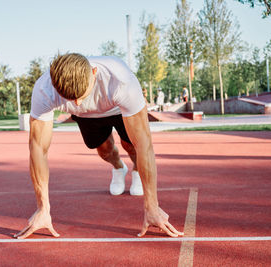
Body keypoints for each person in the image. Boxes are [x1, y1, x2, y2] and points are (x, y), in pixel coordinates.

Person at [14, 53, 184, 239]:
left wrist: (152, 206)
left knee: (132, 146)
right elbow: (38, 149)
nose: (77, 102)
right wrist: (42, 208)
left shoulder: (121, 80)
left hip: (118, 108)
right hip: (87, 117)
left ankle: (136, 169)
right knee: (104, 150)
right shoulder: (44, 89)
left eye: (80, 95)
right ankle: (119, 168)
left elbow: (145, 144)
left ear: (94, 73)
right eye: (71, 99)